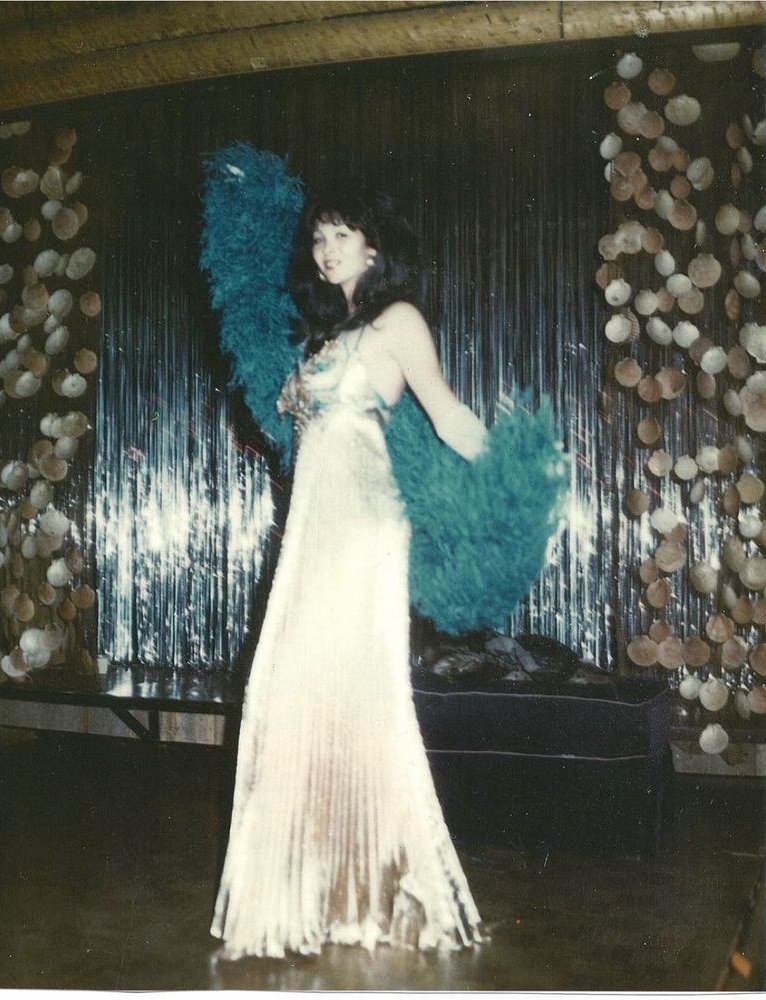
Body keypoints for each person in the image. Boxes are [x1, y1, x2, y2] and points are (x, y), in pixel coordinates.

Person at [210, 187, 487, 958]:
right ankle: (315, 892)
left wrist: (512, 478)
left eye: (341, 234)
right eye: (318, 238)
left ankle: (379, 887)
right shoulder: (326, 336)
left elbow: (445, 413)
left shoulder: (397, 321)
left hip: (362, 528)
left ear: (373, 245)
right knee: (292, 690)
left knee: (349, 691)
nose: (326, 249)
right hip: (312, 528)